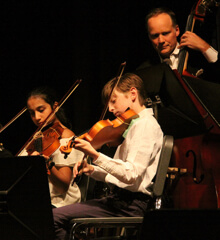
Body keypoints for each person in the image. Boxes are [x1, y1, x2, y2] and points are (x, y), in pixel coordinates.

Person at [53, 73, 164, 239]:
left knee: (54, 218)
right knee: (57, 217)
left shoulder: (146, 126)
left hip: (130, 205)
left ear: (133, 94)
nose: (110, 109)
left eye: (113, 100)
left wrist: (94, 154)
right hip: (121, 201)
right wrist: (92, 169)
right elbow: (121, 175)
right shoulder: (133, 126)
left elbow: (130, 175)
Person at [20, 86, 84, 208]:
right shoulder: (36, 139)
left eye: (41, 110)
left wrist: (45, 164)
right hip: (37, 202)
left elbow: (62, 187)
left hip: (59, 204)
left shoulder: (66, 137)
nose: (37, 117)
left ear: (55, 106)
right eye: (32, 113)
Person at [138, 7, 219, 82]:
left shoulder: (197, 56)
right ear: (149, 37)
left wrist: (205, 47)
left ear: (177, 30)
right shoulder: (144, 70)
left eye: (165, 33)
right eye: (155, 36)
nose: (161, 40)